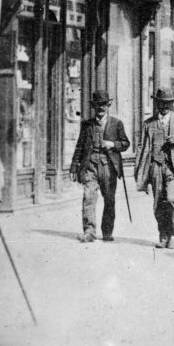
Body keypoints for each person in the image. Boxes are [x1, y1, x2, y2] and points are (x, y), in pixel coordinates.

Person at [134, 88, 174, 250]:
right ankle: (163, 234)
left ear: (172, 104)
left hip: (173, 169)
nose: (164, 106)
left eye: (168, 103)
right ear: (156, 103)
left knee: (172, 199)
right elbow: (141, 147)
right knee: (158, 203)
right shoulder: (149, 123)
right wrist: (139, 171)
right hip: (155, 167)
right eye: (161, 103)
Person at [68, 90, 130, 243]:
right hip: (90, 166)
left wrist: (113, 144)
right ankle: (89, 231)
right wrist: (74, 167)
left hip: (109, 166)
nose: (101, 108)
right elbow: (80, 147)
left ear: (108, 105)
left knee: (109, 199)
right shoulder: (87, 125)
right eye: (98, 105)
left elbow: (125, 144)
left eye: (104, 105)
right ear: (94, 107)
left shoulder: (116, 124)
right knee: (88, 197)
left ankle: (107, 232)